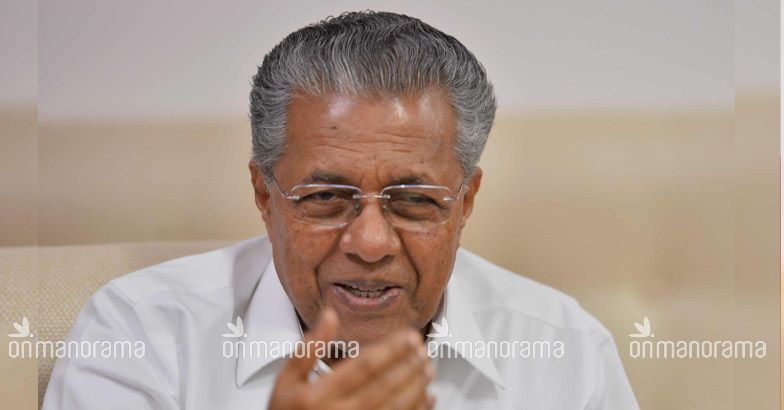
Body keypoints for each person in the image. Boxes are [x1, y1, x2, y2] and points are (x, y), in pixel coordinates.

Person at [43, 11, 638, 409]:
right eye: (326, 198)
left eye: (414, 201)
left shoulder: (565, 350)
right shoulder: (142, 335)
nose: (371, 243)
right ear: (264, 195)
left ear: (465, 203)